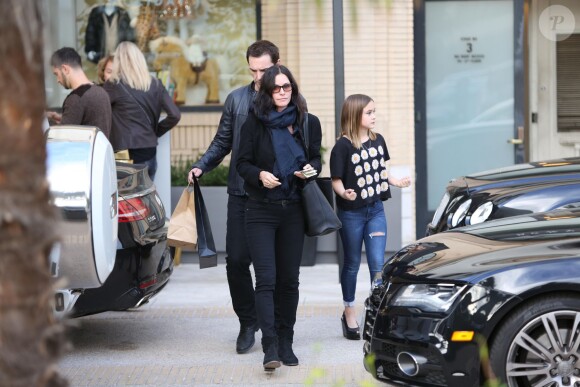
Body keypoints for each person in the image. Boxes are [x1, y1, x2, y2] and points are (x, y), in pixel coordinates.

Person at [187, 40, 280, 355]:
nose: (258, 76)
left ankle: (274, 326)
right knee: (237, 261)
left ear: (276, 66)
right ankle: (247, 320)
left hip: (276, 196)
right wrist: (202, 166)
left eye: (264, 70)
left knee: (273, 268)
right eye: (253, 70)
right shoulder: (236, 99)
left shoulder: (287, 97)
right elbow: (222, 141)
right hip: (241, 193)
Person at [237, 65, 322, 370]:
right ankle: (269, 344)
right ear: (267, 92)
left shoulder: (307, 122)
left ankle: (286, 340)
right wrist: (260, 175)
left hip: (294, 209)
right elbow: (241, 164)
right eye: (277, 88)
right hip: (260, 210)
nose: (284, 92)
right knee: (267, 280)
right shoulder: (253, 124)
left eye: (288, 87)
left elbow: (316, 160)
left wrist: (307, 171)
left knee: (289, 280)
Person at [329, 94, 411, 340]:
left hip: (375, 210)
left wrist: (395, 181)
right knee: (352, 264)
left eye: (374, 112)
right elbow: (336, 180)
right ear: (355, 115)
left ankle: (376, 314)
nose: (374, 116)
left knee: (377, 265)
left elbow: (380, 171)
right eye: (369, 113)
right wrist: (345, 192)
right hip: (352, 214)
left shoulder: (378, 140)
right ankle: (349, 312)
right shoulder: (342, 147)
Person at [104, 41, 180, 180]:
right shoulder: (156, 84)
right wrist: (155, 132)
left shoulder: (113, 84)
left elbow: (100, 112)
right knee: (145, 198)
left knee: (125, 200)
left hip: (124, 155)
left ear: (119, 61)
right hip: (149, 151)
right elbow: (174, 115)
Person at [48, 47, 112, 137]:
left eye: (56, 74)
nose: (57, 80)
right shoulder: (101, 91)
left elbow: (62, 138)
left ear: (65, 69)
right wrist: (66, 118)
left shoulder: (76, 98)